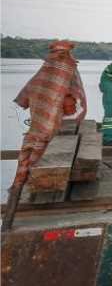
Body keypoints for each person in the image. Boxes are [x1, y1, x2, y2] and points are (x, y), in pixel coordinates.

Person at [5, 40, 87, 227]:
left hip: (40, 128)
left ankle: (17, 192)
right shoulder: (66, 70)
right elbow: (77, 98)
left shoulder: (46, 71)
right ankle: (22, 190)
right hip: (47, 129)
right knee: (37, 153)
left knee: (29, 155)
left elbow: (24, 98)